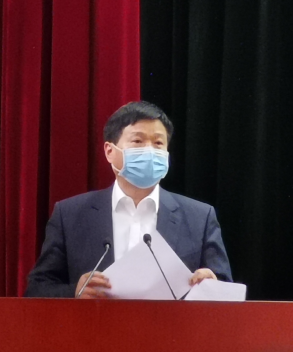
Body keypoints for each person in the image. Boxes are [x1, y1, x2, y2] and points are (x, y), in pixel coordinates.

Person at [25, 101, 232, 298]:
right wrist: (74, 292)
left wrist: (212, 286)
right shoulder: (70, 215)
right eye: (138, 141)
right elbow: (37, 288)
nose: (150, 151)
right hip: (95, 323)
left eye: (158, 143)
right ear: (110, 151)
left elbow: (227, 290)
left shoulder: (199, 217)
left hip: (171, 324)